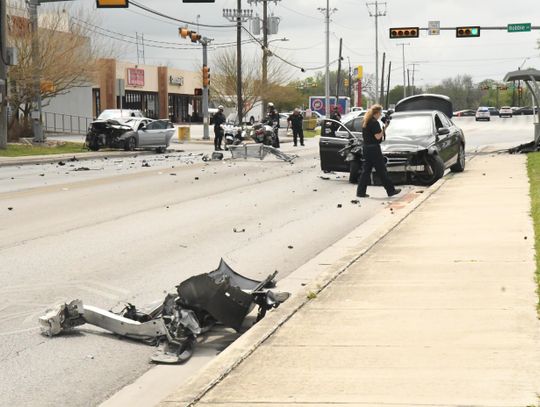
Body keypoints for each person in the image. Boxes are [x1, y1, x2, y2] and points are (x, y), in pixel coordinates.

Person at [356, 104, 401, 198]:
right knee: (382, 170)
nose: (380, 115)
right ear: (376, 113)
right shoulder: (374, 123)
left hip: (366, 148)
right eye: (380, 113)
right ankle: (391, 190)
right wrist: (385, 128)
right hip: (374, 149)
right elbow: (378, 137)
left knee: (366, 171)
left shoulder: (366, 121)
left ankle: (360, 192)